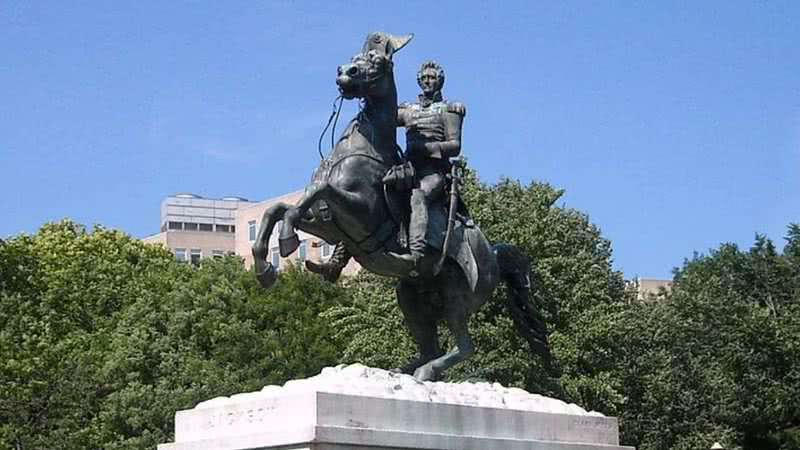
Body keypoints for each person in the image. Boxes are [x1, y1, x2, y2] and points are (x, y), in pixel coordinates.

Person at [307, 60, 465, 280]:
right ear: (419, 81)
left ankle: (415, 254)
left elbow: (454, 146)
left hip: (432, 172)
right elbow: (384, 115)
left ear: (440, 81)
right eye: (425, 78)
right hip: (406, 167)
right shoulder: (408, 110)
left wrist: (425, 148)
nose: (428, 82)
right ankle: (337, 262)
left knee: (417, 197)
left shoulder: (450, 109)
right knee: (367, 199)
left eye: (433, 78)